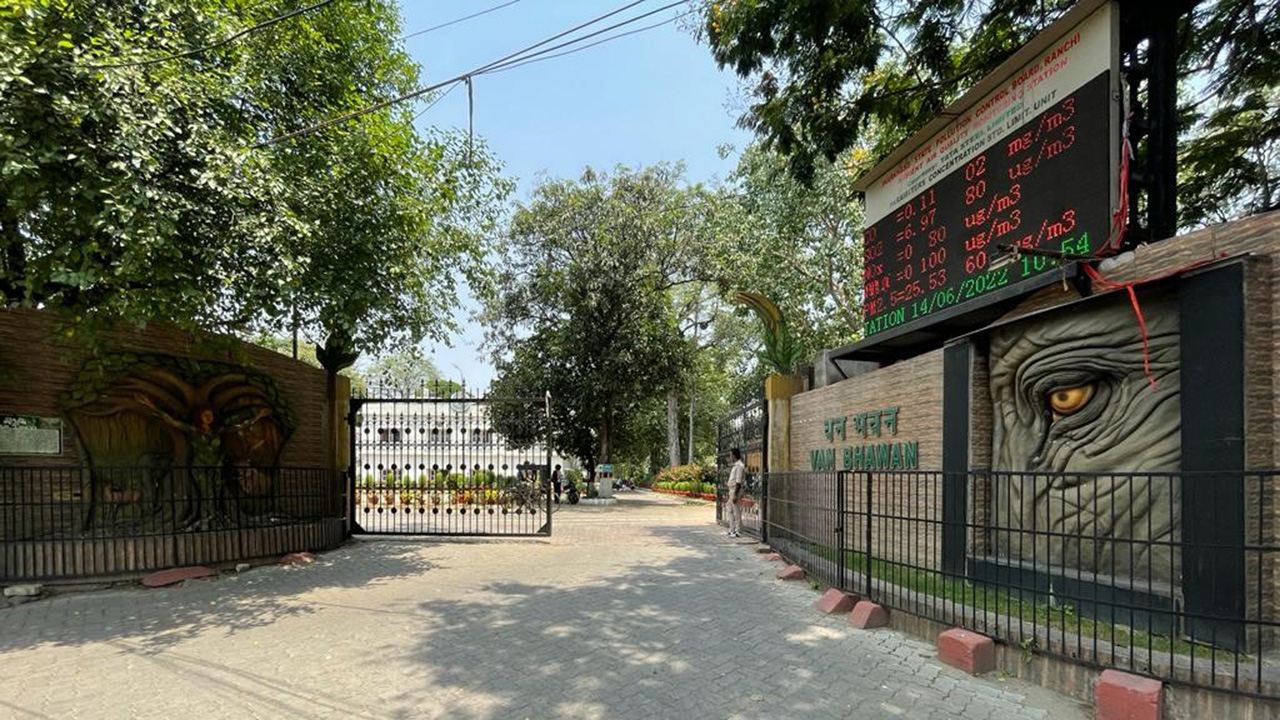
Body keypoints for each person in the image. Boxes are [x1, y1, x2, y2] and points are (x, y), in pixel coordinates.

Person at [726, 447, 745, 538]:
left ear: (734, 455)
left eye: (730, 455)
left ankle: (738, 530)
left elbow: (738, 481)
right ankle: (731, 529)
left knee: (736, 510)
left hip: (735, 490)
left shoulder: (740, 466)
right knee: (730, 510)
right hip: (731, 489)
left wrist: (735, 494)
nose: (730, 457)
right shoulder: (735, 466)